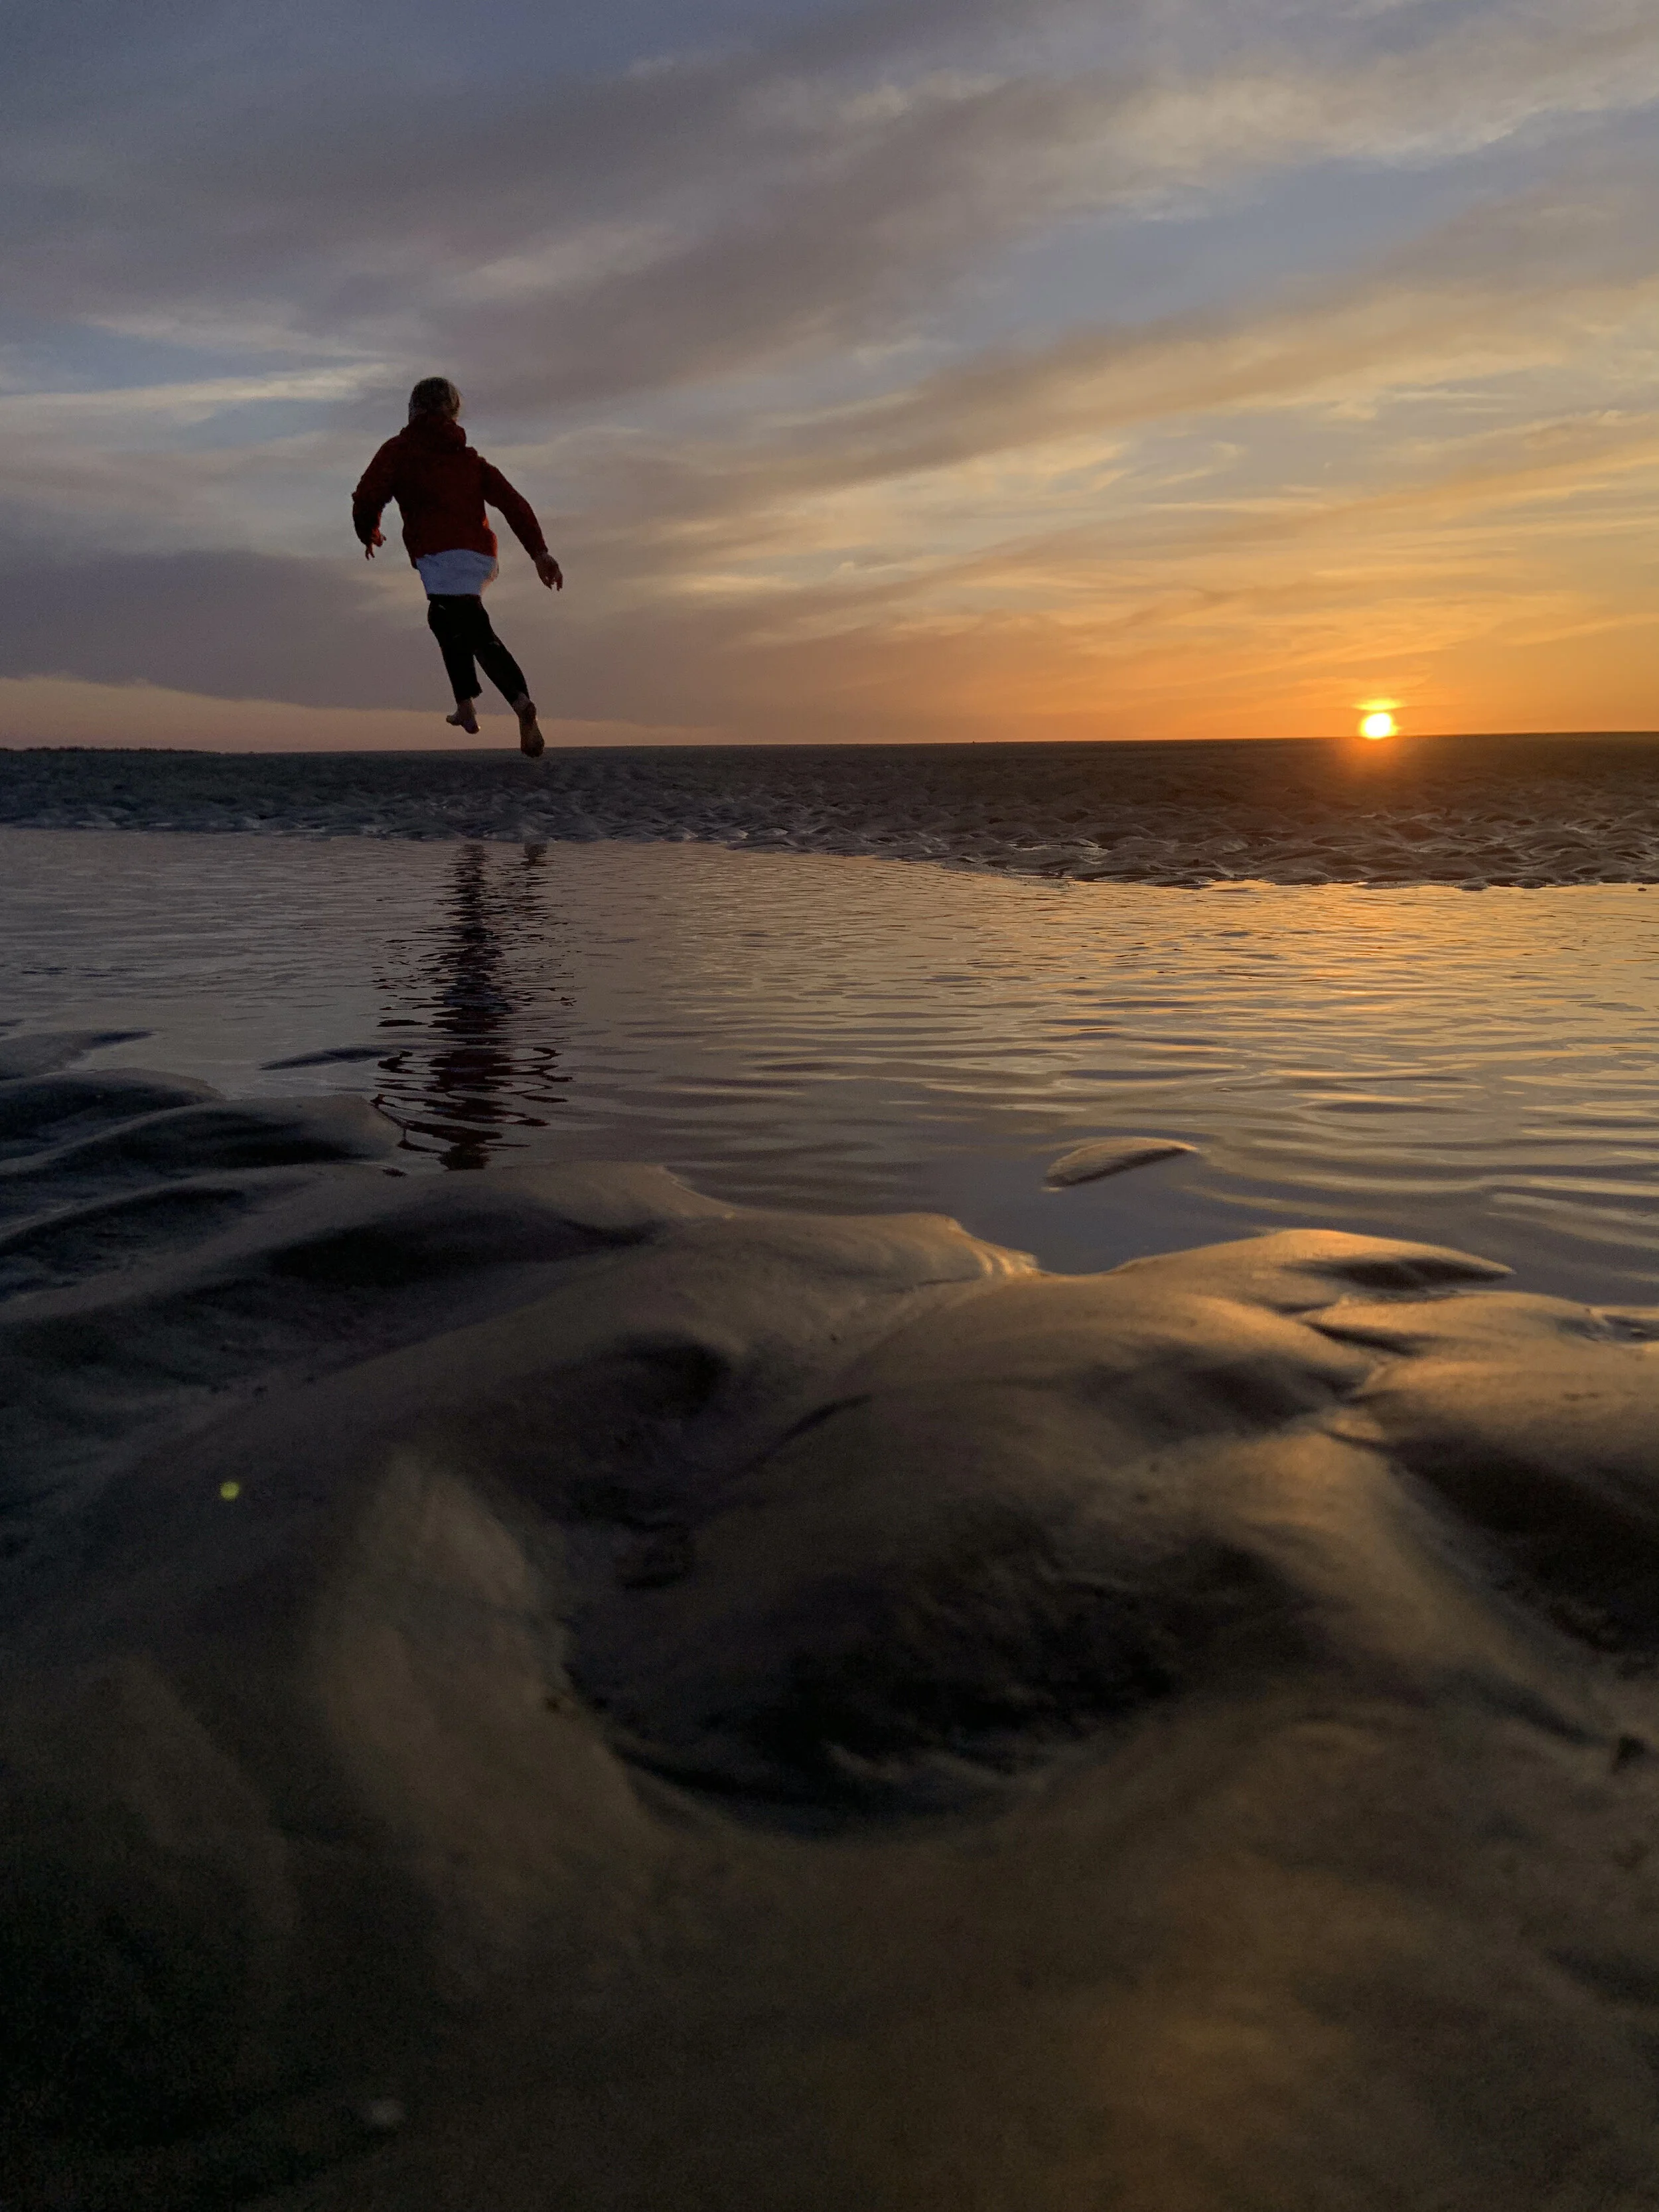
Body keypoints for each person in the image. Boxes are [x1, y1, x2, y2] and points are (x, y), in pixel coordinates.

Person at [352, 378, 563, 757]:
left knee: (474, 631)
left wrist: (368, 530)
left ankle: (519, 702)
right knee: (447, 618)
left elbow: (368, 494)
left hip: (438, 554)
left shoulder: (399, 451)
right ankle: (467, 706)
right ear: (453, 413)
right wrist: (540, 553)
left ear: (414, 409)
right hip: (479, 558)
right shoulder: (470, 460)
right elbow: (514, 503)